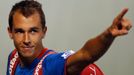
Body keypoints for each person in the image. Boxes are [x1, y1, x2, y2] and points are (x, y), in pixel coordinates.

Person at [6, 0, 132, 75]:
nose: (26, 39)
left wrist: (108, 34)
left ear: (44, 32)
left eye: (33, 31)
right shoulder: (13, 58)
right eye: (19, 31)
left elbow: (86, 54)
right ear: (10, 32)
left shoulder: (51, 66)